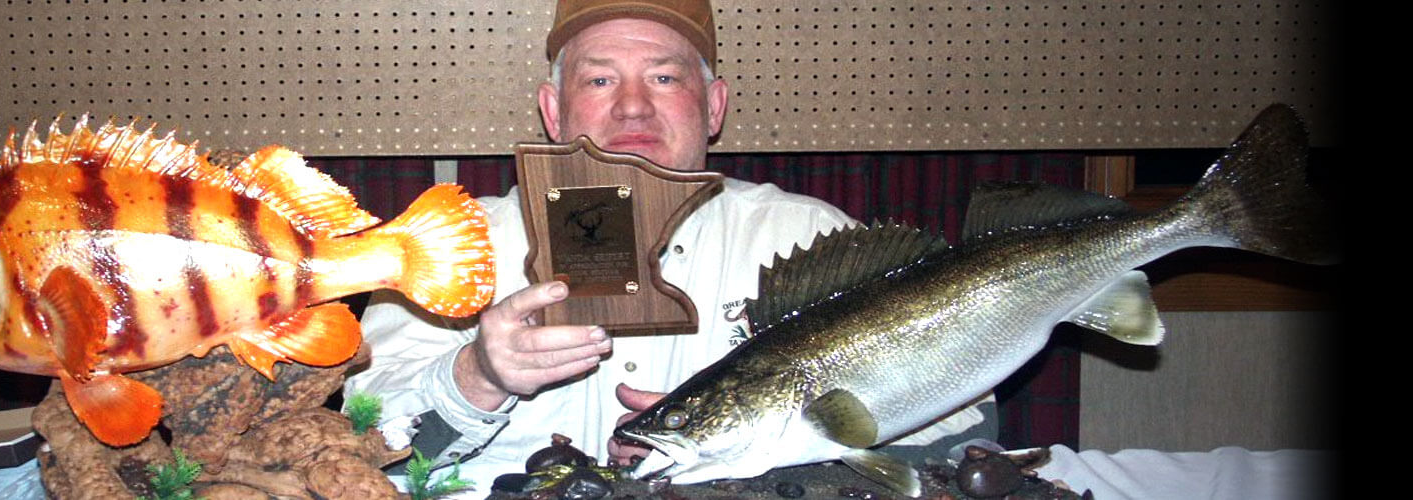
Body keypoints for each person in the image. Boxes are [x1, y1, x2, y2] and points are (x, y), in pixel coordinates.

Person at [343, 0, 994, 494]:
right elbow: (358, 443)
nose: (631, 108)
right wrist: (478, 375)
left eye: (663, 79)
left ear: (713, 107)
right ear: (552, 109)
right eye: (599, 82)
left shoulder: (808, 239)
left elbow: (964, 423)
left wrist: (760, 446)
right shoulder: (451, 245)